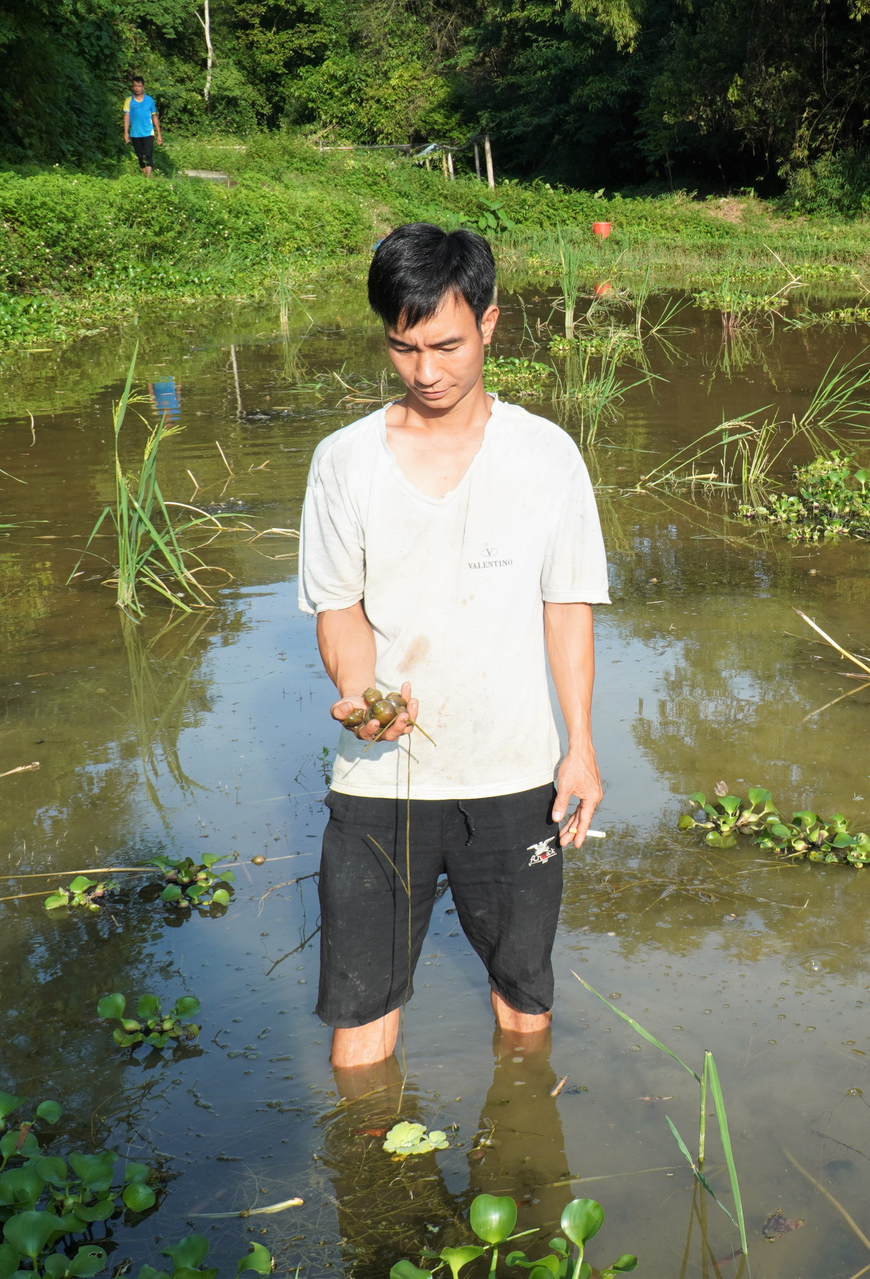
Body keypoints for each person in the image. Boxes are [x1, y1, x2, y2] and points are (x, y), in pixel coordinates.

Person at [297, 223, 609, 1070]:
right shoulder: (344, 462)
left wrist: (578, 748)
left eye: (446, 345)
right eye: (403, 348)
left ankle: (518, 1154)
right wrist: (361, 692)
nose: (426, 372)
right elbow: (339, 607)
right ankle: (372, 1187)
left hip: (514, 776)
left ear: (491, 326)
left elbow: (566, 606)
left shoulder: (546, 456)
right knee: (357, 1021)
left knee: (523, 1000)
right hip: (378, 783)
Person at [123, 77, 162, 176]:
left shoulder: (149, 100)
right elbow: (127, 117)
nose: (137, 88)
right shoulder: (129, 101)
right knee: (141, 156)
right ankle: (145, 177)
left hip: (148, 132)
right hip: (135, 133)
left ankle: (148, 178)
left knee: (148, 155)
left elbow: (154, 116)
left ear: (143, 87)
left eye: (139, 86)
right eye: (135, 86)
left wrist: (159, 134)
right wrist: (126, 132)